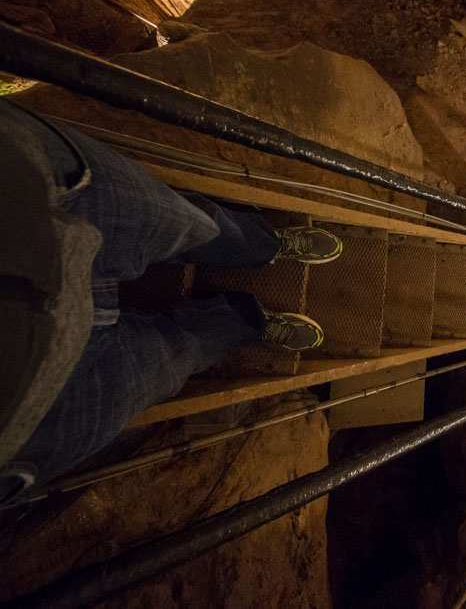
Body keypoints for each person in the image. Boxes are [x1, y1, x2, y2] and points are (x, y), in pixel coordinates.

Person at [0, 99, 343, 503]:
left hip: (30, 201)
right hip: (38, 415)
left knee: (189, 225)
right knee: (177, 351)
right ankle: (247, 320)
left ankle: (262, 247)